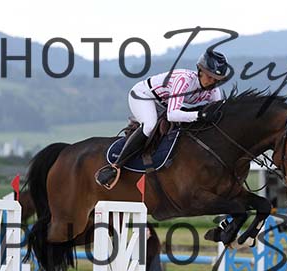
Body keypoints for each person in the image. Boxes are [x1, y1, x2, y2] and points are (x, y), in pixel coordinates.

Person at [95, 49, 229, 189]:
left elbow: (218, 114)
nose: (212, 82)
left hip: (164, 103)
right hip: (143, 96)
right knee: (149, 125)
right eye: (210, 77)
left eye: (216, 79)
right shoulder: (184, 80)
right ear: (200, 71)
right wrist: (199, 115)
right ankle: (116, 166)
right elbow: (172, 114)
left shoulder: (214, 91)